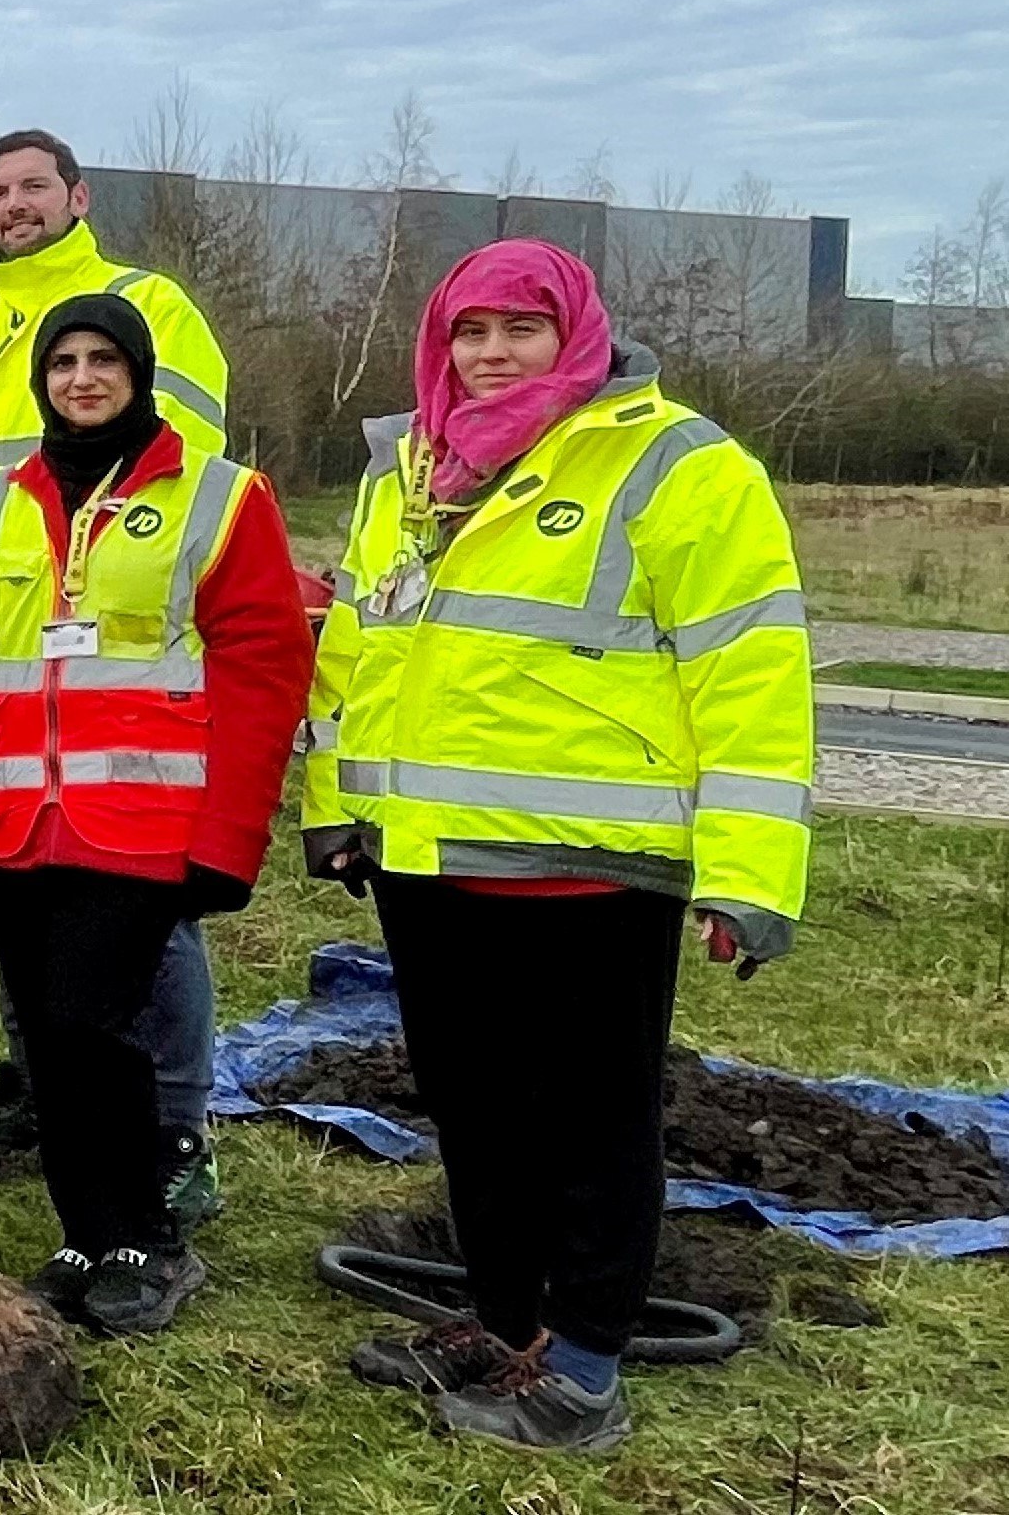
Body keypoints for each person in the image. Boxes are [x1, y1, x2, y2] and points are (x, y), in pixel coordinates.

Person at [306, 238, 815, 1453]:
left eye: (516, 331)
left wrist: (748, 873)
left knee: (590, 1115)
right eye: (468, 333)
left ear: (574, 332)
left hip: (591, 861)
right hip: (431, 858)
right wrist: (336, 800)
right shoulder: (407, 470)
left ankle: (579, 1367)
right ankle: (500, 1320)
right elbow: (356, 653)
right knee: (472, 1103)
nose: (488, 356)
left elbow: (748, 668)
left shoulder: (672, 462)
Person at [0, 293, 310, 1337]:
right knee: (44, 1032)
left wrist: (231, 836)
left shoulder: (220, 499)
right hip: (13, 823)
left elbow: (264, 669)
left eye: (102, 359)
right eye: (62, 362)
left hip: (140, 821)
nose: (81, 378)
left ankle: (146, 1234)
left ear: (138, 373)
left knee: (100, 1024)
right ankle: (83, 1229)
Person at [0, 127, 233, 1215]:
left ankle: (177, 1123)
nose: (13, 206)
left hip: (128, 682)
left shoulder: (148, 301)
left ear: (76, 195)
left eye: (31, 186)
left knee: (149, 921)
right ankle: (39, 1078)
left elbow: (182, 477)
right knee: (19, 898)